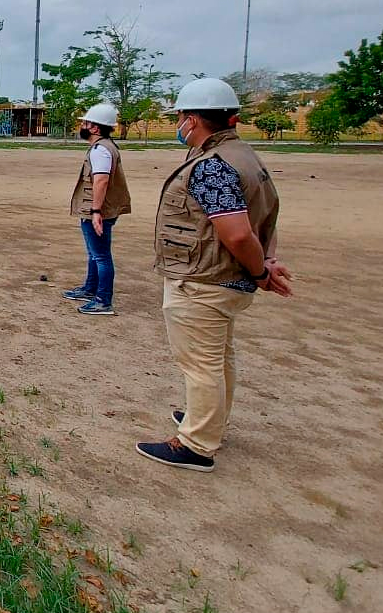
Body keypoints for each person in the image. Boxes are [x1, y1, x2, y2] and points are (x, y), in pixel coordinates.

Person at [137, 78, 292, 473]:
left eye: (180, 118)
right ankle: (209, 421)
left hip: (205, 280)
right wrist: (263, 265)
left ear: (191, 119)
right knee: (220, 358)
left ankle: (196, 444)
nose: (179, 125)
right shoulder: (245, 156)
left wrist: (260, 271)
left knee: (201, 363)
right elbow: (264, 217)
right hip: (225, 279)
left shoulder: (212, 167)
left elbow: (237, 231)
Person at [63, 103, 131, 314]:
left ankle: (103, 300)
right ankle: (90, 288)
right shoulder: (104, 146)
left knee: (100, 255)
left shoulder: (101, 149)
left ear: (94, 127)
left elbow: (101, 181)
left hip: (98, 209)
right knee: (94, 253)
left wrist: (96, 211)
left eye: (85, 122)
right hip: (98, 208)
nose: (81, 126)